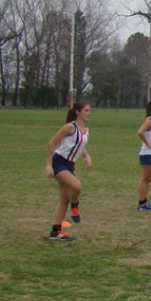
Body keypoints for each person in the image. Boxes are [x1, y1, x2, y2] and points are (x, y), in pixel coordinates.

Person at [45, 101, 93, 241]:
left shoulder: (85, 130)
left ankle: (56, 231)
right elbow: (51, 143)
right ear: (77, 112)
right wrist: (48, 165)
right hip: (58, 162)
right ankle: (75, 206)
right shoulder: (70, 127)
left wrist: (87, 157)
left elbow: (79, 145)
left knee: (64, 199)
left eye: (89, 110)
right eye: (86, 110)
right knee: (77, 186)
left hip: (70, 165)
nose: (89, 113)